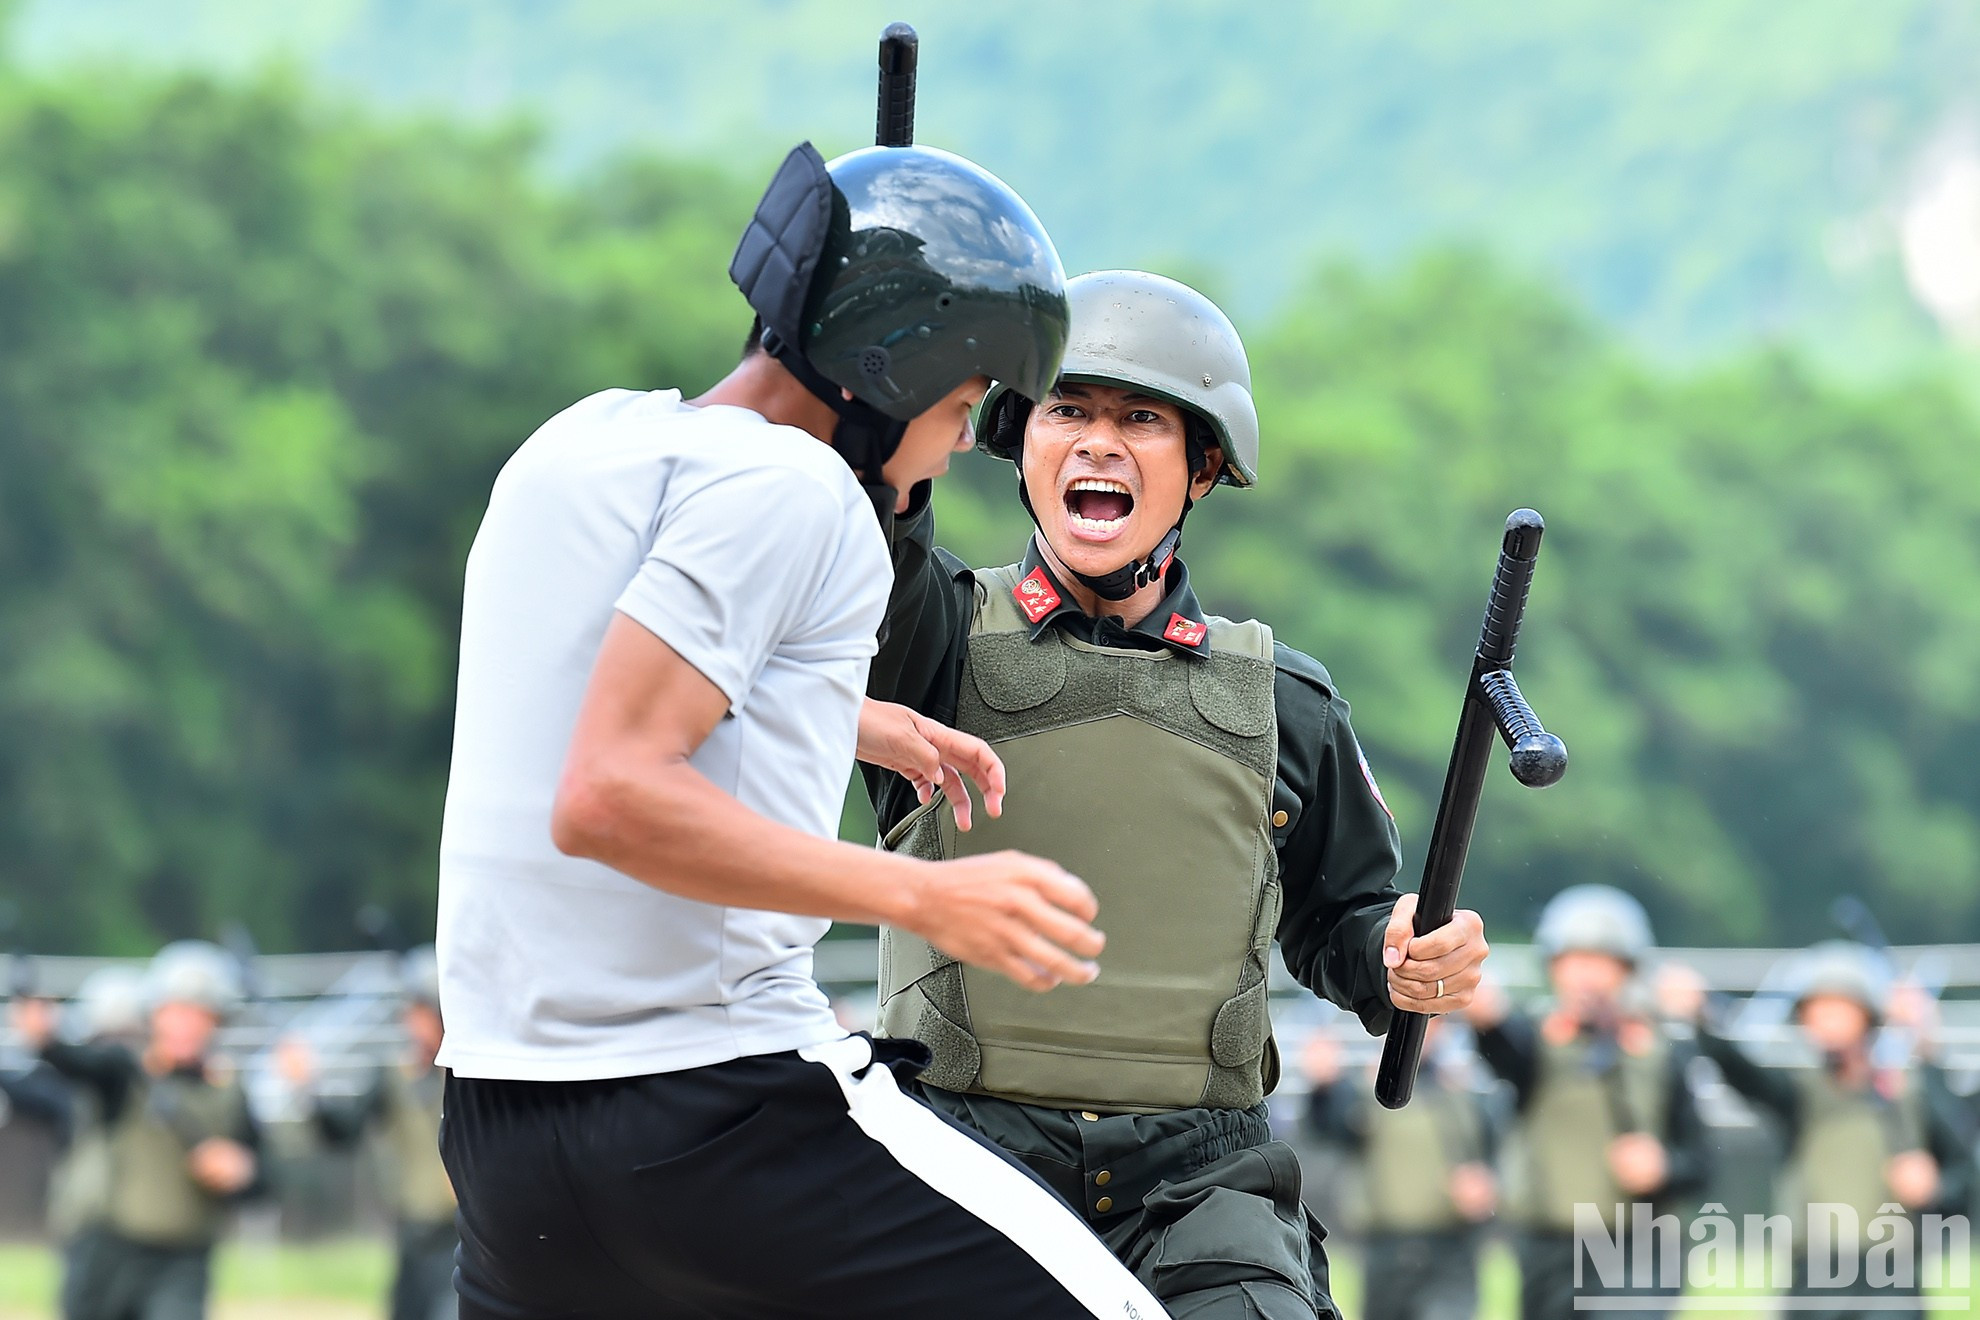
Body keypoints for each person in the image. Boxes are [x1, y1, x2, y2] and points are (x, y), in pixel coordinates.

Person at [434, 138, 1172, 1319]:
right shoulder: (796, 486)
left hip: (505, 1137)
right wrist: (927, 898)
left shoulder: (579, 446)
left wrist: (842, 718)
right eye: (966, 402)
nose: (951, 446)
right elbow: (608, 793)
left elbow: (579, 690)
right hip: (719, 1119)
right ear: (898, 367)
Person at [860, 268, 1492, 1319]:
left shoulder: (1284, 699)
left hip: (1204, 1184)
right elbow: (870, 522)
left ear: (1203, 467)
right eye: (1067, 409)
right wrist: (886, 390)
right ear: (1018, 442)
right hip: (966, 1158)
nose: (1098, 441)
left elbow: (1343, 923)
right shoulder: (931, 639)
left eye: (1140, 418)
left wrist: (1403, 954)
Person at [1661, 942, 1973, 1318]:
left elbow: (1962, 1172)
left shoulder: (1908, 1094)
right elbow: (1743, 1073)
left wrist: (1933, 1187)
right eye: (1815, 1012)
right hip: (1815, 1272)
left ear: (1867, 1015)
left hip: (1892, 1274)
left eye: (1838, 1010)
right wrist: (1702, 1018)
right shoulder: (1801, 1095)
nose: (1825, 1023)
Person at [1461, 885, 1705, 1320]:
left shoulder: (1661, 1054)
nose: (1587, 978)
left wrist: (1663, 1167)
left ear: (1628, 971)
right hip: (1548, 1248)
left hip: (1635, 1246)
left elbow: (1700, 1161)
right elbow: (1501, 1045)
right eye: (1574, 962)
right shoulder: (1533, 1045)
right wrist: (1483, 1013)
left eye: (1601, 963)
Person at [14, 941, 262, 1320]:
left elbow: (265, 1177)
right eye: (176, 1012)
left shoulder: (229, 1092)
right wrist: (46, 1039)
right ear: (155, 1015)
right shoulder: (125, 1072)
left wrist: (242, 1170)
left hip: (184, 1258)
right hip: (111, 1252)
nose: (186, 1025)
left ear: (217, 1022)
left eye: (200, 1014)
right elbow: (75, 1062)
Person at [278, 946, 455, 1320]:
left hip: (462, 1237)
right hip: (412, 1235)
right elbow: (343, 1131)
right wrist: (308, 1089)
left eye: (422, 1014)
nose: (413, 1025)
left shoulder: (473, 1078)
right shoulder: (395, 1075)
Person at [1300, 1022, 1498, 1320]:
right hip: (1385, 1250)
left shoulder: (1462, 1094)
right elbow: (1329, 1126)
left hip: (1450, 1247)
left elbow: (1490, 1156)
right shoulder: (1365, 1095)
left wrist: (1482, 1186)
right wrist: (1323, 1086)